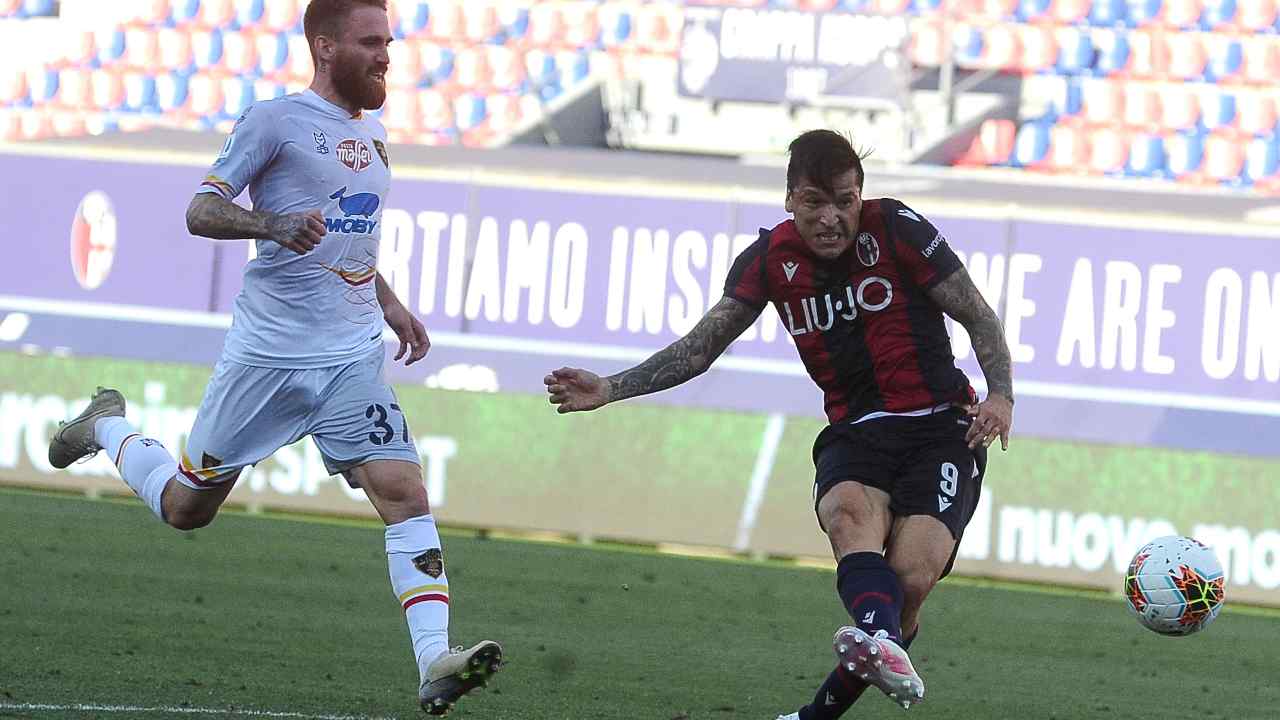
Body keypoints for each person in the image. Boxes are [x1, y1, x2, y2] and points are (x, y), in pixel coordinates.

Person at [46, 1, 500, 714]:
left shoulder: (376, 135)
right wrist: (269, 223)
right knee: (186, 508)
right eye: (371, 41)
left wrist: (388, 301)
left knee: (405, 492)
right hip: (268, 360)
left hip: (351, 357)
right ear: (325, 47)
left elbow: (351, 231)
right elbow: (201, 209)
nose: (387, 55)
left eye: (389, 40)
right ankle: (107, 424)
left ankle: (434, 661)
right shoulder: (273, 122)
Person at [544, 129, 1013, 717]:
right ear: (790, 198)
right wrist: (614, 387)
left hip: (942, 424)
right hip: (858, 429)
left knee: (910, 581)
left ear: (860, 195)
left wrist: (1001, 394)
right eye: (816, 202)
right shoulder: (769, 261)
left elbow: (976, 313)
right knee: (846, 515)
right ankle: (880, 639)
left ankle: (839, 686)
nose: (832, 219)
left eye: (845, 201)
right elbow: (698, 350)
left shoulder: (897, 228)